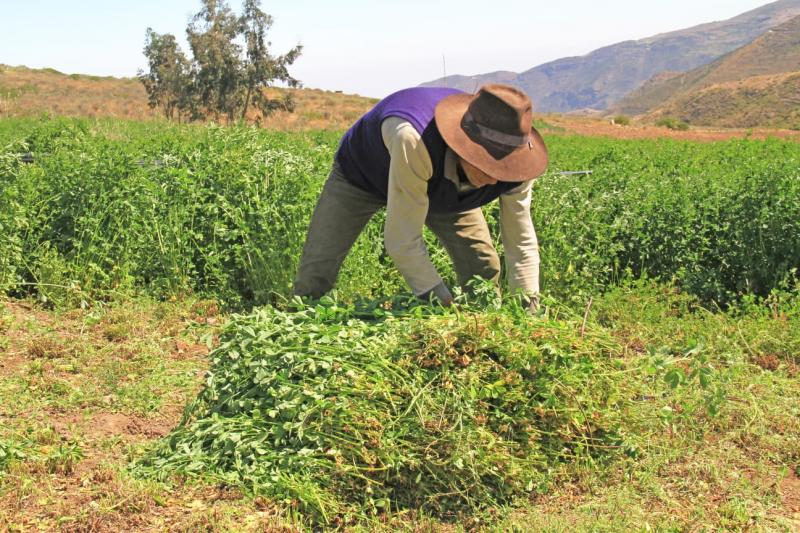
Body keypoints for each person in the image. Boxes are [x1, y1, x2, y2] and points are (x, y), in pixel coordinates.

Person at [293, 83, 548, 311]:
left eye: (502, 166)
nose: (494, 178)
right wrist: (441, 305)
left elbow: (521, 242)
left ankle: (483, 325)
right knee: (316, 270)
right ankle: (299, 324)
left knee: (482, 266)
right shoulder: (413, 138)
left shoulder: (519, 167)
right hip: (363, 176)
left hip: (442, 185)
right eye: (485, 165)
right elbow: (401, 239)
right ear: (462, 146)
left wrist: (527, 310)